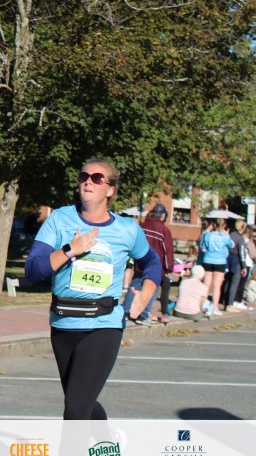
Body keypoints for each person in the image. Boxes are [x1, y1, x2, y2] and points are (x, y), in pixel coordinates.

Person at [24, 158, 160, 419]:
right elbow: (32, 270)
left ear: (110, 189)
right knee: (80, 401)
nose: (88, 182)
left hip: (103, 324)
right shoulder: (59, 219)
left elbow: (152, 263)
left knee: (76, 406)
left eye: (97, 178)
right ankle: (106, 440)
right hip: (63, 321)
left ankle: (74, 450)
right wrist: (69, 249)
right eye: (83, 176)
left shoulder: (126, 229)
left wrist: (146, 292)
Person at [124, 203, 176, 325]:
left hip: (140, 262)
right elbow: (167, 252)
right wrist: (168, 269)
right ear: (163, 216)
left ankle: (126, 311)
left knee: (134, 286)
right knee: (151, 290)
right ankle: (142, 315)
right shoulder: (164, 230)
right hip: (156, 267)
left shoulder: (142, 226)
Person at [199, 218, 234, 315]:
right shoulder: (225, 237)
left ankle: (203, 306)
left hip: (208, 260)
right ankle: (215, 307)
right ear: (224, 225)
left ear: (214, 225)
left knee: (206, 285)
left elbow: (203, 248)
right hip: (220, 261)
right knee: (217, 286)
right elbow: (232, 245)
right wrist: (227, 235)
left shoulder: (207, 235)